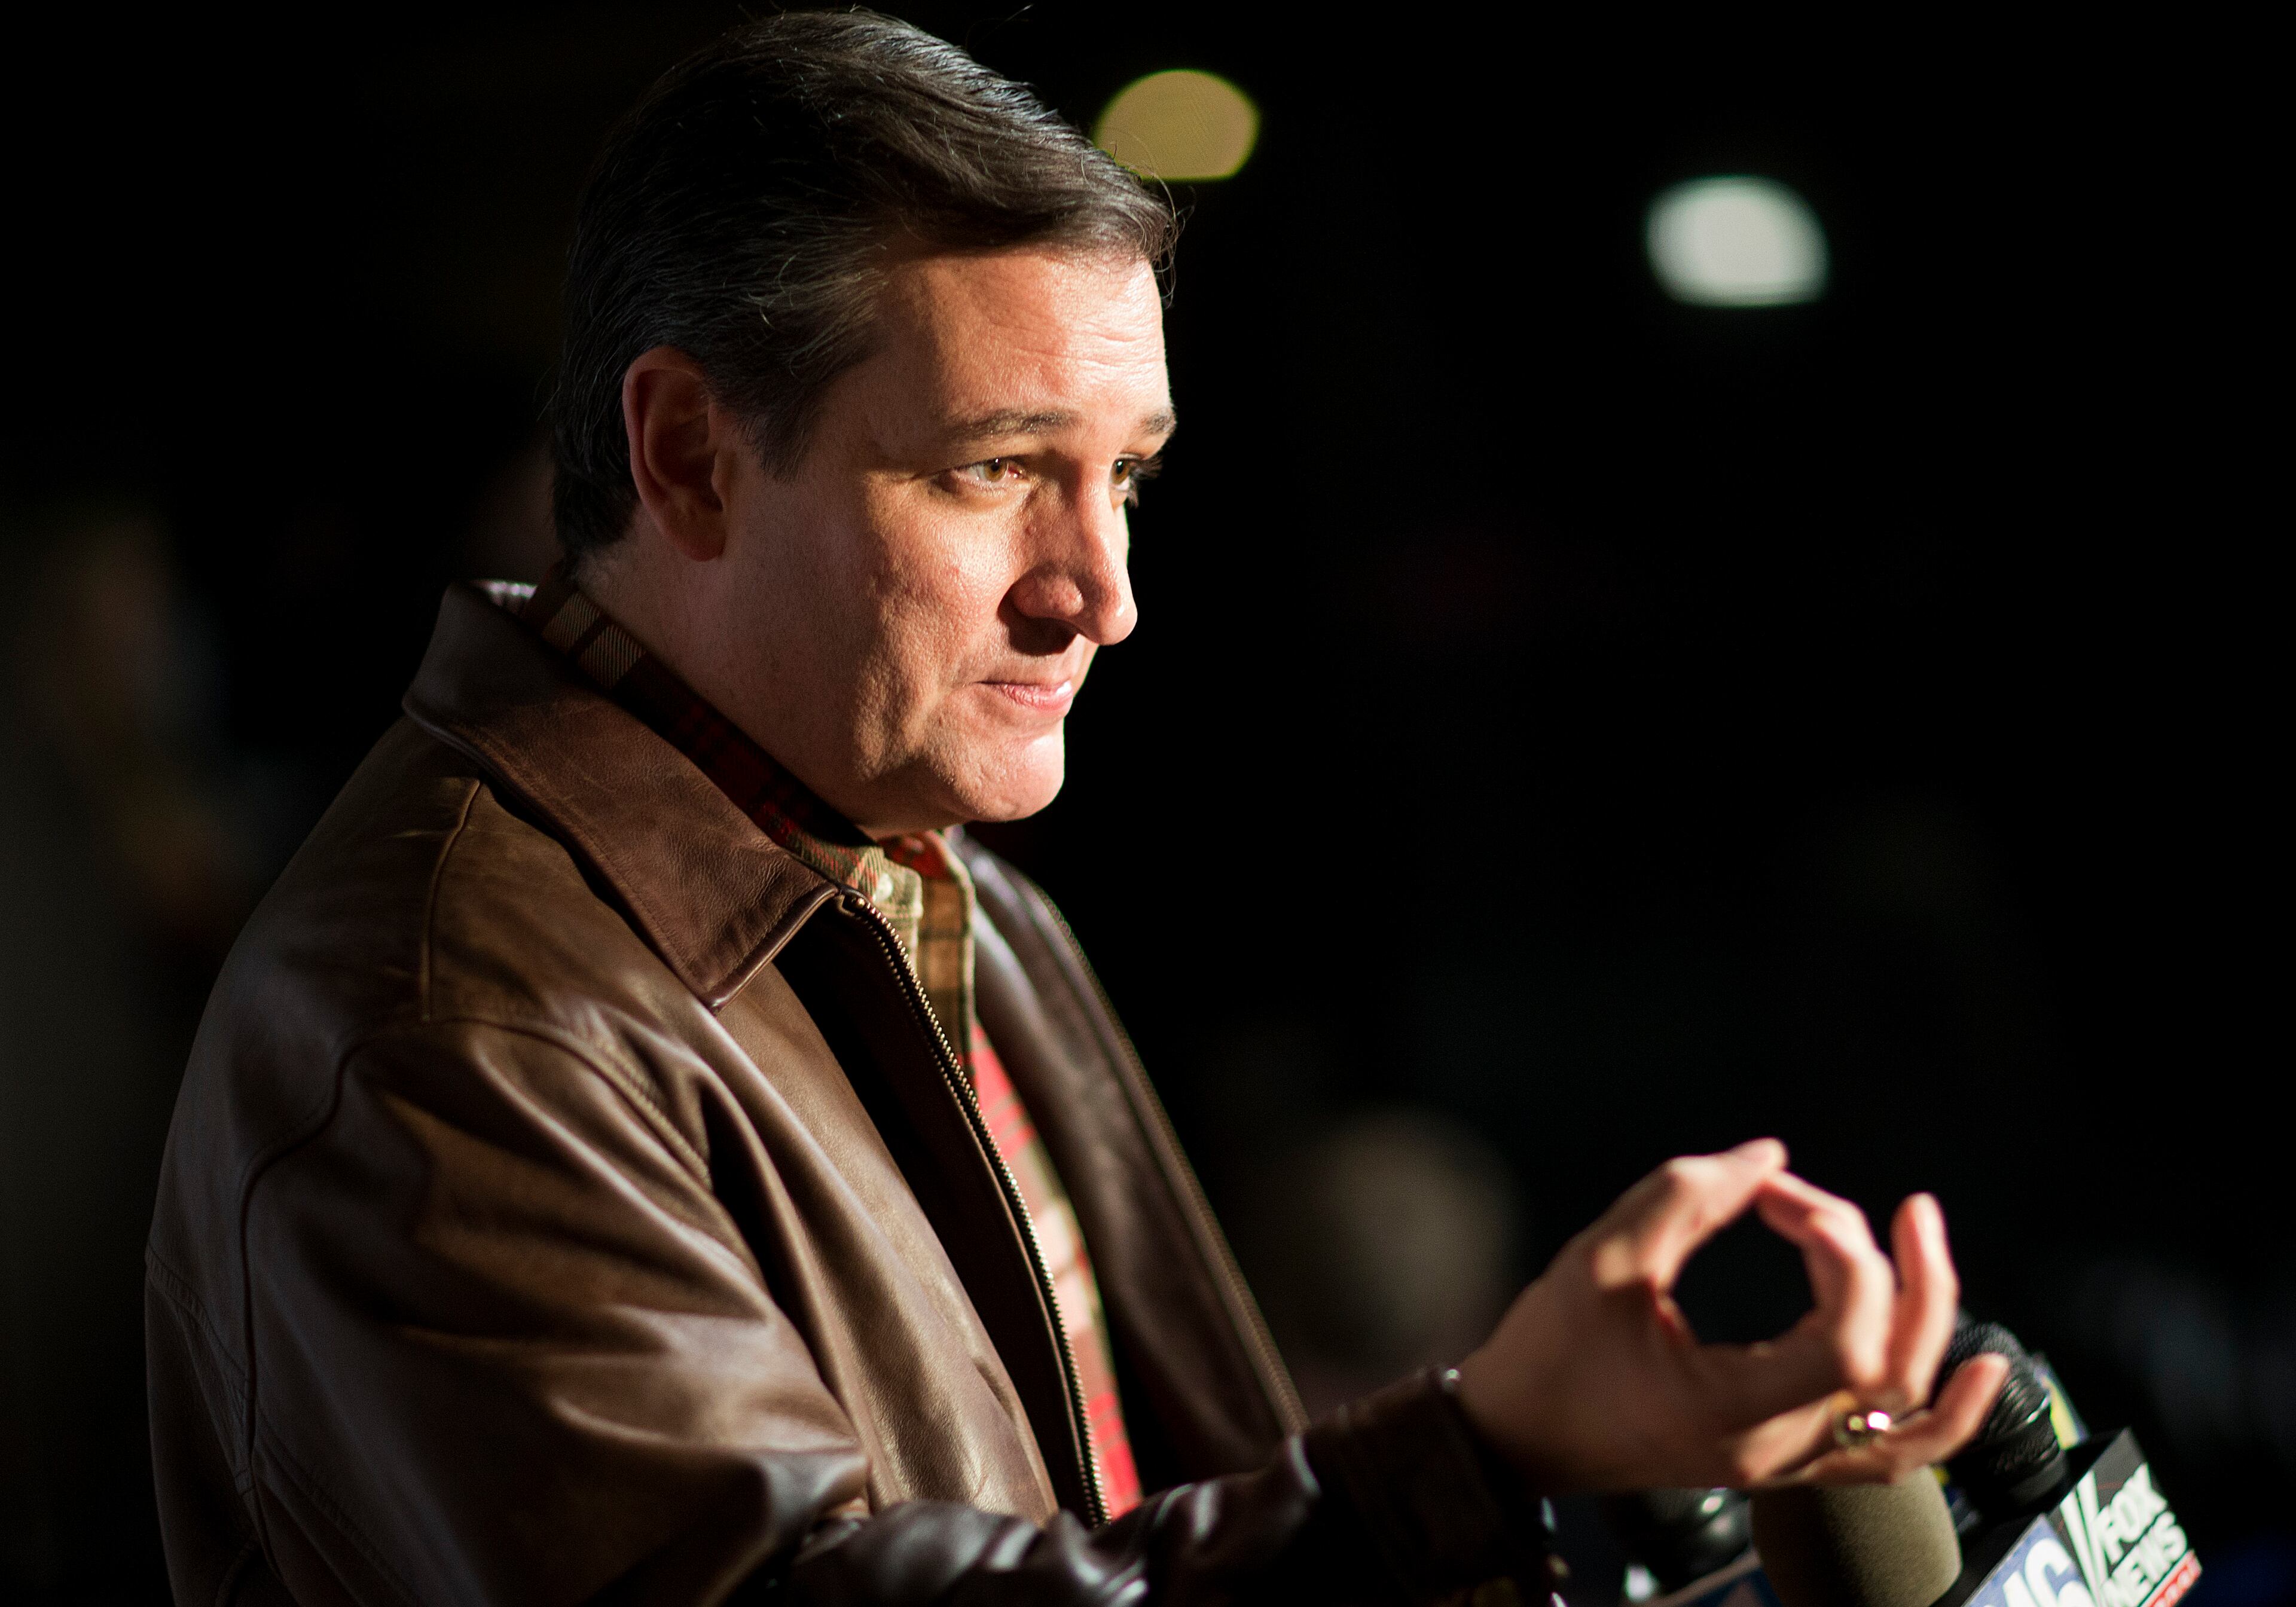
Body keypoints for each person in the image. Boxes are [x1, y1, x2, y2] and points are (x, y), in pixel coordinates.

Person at [145, 13, 2007, 1605]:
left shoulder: (913, 868)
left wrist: (1576, 1450)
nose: (1100, 591)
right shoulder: (442, 1028)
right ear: (691, 457)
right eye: (997, 473)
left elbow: (1118, 1521)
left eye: (1126, 478)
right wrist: (1478, 1445)